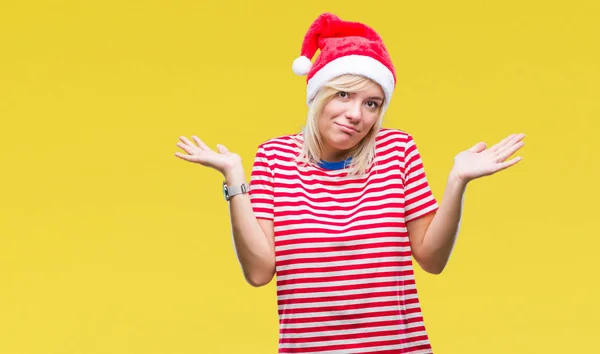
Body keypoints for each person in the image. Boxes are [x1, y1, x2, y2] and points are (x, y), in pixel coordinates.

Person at [175, 12, 525, 354]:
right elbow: (258, 272)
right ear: (318, 94)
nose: (357, 114)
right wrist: (234, 178)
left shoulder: (396, 150)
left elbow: (432, 260)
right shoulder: (273, 157)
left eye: (371, 103)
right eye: (344, 95)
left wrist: (457, 180)